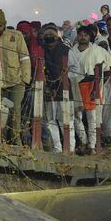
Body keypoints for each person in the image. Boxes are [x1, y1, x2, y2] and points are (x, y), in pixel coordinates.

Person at [68, 24, 111, 154]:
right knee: (76, 116)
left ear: (90, 37)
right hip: (75, 86)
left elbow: (108, 69)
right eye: (80, 35)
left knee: (92, 117)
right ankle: (83, 141)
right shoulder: (71, 51)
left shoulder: (97, 51)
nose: (83, 37)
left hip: (92, 86)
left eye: (85, 35)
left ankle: (92, 145)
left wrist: (99, 85)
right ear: (77, 36)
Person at [0, 7, 31, 143]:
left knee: (15, 109)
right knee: (2, 110)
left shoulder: (16, 36)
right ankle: (2, 138)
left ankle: (15, 139)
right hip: (0, 83)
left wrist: (25, 79)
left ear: (5, 24)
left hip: (17, 81)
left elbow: (25, 58)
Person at [40, 23, 72, 153]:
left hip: (64, 88)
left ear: (57, 36)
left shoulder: (66, 49)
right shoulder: (42, 50)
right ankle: (57, 148)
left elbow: (74, 68)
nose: (49, 37)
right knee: (50, 121)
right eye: (46, 36)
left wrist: (65, 75)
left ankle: (69, 148)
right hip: (49, 88)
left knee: (65, 120)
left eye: (51, 35)